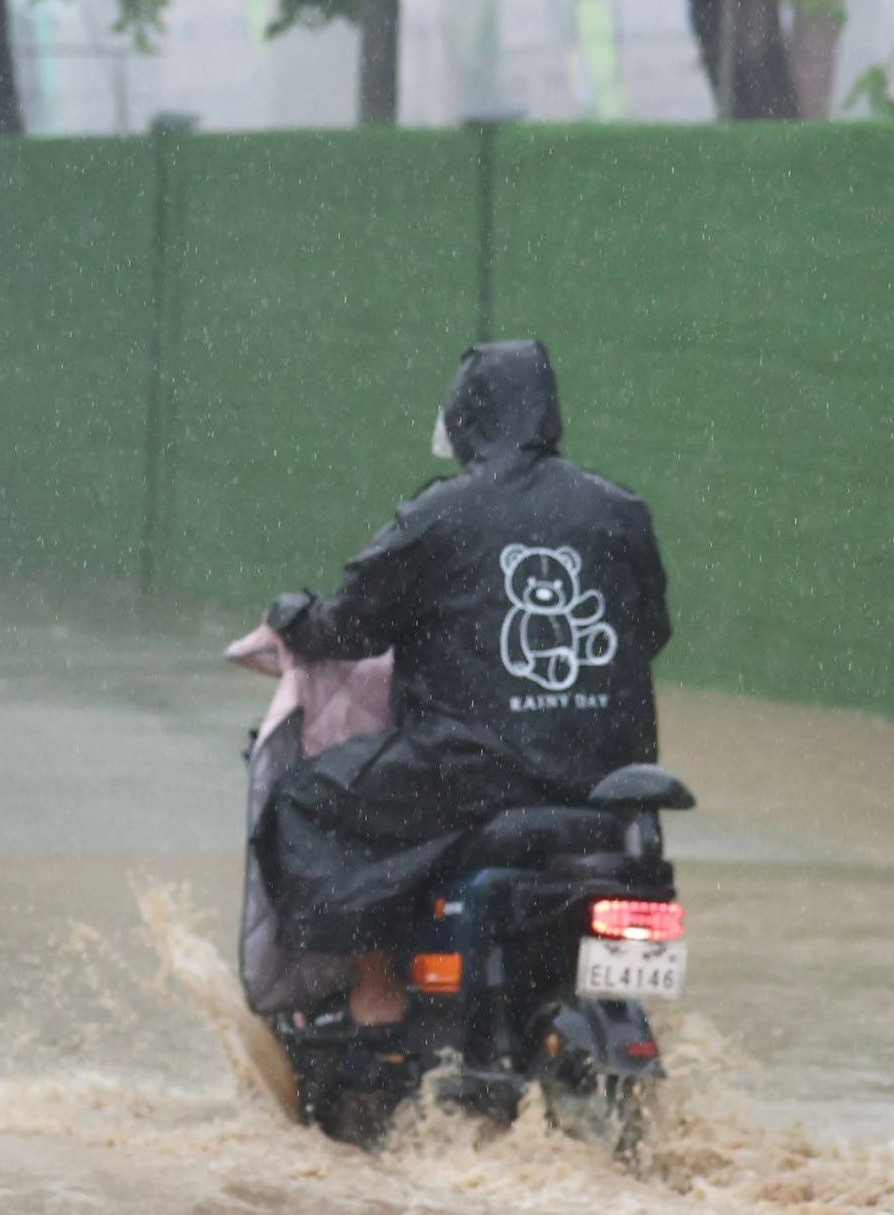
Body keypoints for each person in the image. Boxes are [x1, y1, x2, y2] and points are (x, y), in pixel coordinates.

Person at [258, 340, 670, 1028]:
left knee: (302, 799)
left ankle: (377, 991)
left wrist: (294, 618)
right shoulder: (621, 511)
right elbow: (650, 632)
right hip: (607, 779)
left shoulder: (439, 515)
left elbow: (349, 628)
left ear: (467, 416)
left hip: (476, 773)